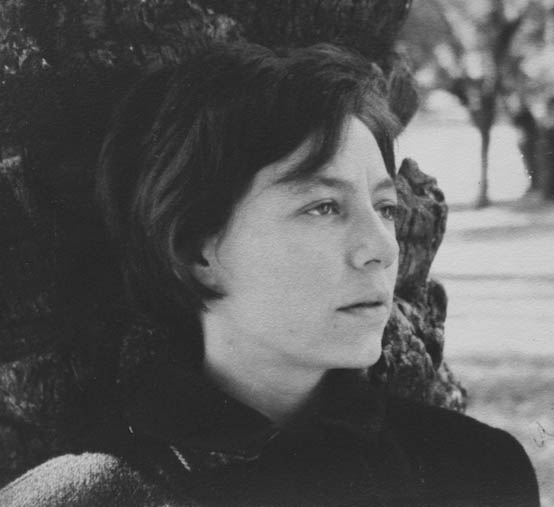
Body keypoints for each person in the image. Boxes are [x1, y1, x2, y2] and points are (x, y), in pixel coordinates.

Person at [0, 41, 540, 507]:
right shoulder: (89, 497)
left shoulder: (474, 469)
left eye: (386, 208)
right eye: (323, 207)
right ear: (196, 251)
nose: (381, 248)